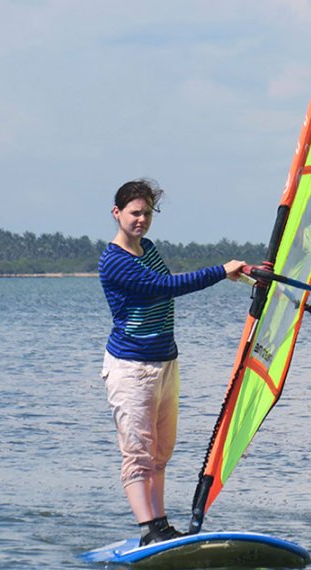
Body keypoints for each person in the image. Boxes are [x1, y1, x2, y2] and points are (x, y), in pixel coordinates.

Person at [98, 179, 246, 545]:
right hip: (132, 368)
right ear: (117, 213)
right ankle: (148, 530)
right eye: (135, 213)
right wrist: (219, 271)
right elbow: (164, 287)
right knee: (138, 454)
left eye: (147, 213)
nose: (142, 220)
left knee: (161, 452)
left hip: (165, 363)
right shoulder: (114, 262)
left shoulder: (148, 248)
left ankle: (161, 524)